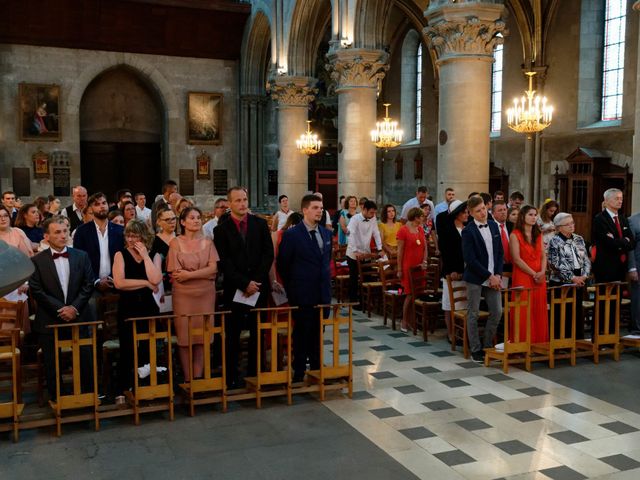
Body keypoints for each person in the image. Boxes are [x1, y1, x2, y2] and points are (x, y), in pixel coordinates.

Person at [213, 187, 273, 388]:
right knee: (233, 334)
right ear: (230, 204)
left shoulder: (260, 224)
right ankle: (231, 376)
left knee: (258, 331)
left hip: (258, 288)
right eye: (237, 200)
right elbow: (224, 262)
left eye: (245, 199)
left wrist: (254, 282)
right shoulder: (221, 230)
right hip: (235, 289)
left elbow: (268, 255)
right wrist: (243, 283)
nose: (242, 204)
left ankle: (255, 374)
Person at [29, 216, 95, 401]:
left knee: (85, 359)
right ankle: (58, 399)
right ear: (46, 236)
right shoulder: (37, 260)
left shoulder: (81, 256)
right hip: (50, 319)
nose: (63, 235)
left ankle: (86, 396)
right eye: (57, 232)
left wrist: (74, 308)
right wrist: (62, 309)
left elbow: (88, 284)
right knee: (53, 363)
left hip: (79, 316)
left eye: (65, 231)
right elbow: (37, 290)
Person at [277, 194, 332, 382]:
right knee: (301, 334)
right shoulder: (292, 235)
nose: (320, 211)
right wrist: (293, 289)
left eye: (321, 208)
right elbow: (283, 264)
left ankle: (316, 369)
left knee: (318, 334)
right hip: (301, 293)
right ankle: (299, 370)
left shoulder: (326, 233)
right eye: (315, 207)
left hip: (322, 294)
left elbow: (326, 262)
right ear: (305, 210)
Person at [168, 207, 218, 381]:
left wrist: (189, 274)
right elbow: (176, 274)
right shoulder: (175, 242)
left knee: (202, 337)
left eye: (198, 217)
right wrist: (201, 273)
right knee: (185, 338)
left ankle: (198, 378)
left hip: (206, 295)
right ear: (182, 222)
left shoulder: (208, 242)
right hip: (184, 296)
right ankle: (188, 379)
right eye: (192, 217)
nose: (196, 220)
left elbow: (213, 269)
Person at [112, 220, 162, 392]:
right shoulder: (121, 254)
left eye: (135, 236)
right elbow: (119, 282)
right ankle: (123, 388)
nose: (131, 239)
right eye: (128, 235)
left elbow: (156, 279)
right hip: (128, 306)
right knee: (128, 348)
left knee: (149, 346)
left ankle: (148, 387)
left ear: (144, 237)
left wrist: (146, 256)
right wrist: (145, 284)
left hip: (149, 307)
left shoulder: (154, 254)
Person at [461, 196, 504, 362]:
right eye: (478, 211)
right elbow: (470, 259)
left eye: (483, 209)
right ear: (471, 213)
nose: (482, 213)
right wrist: (489, 276)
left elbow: (499, 252)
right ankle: (476, 349)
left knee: (497, 311)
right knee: (473, 313)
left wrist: (498, 275)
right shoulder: (468, 231)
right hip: (476, 277)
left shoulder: (493, 225)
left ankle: (487, 345)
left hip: (494, 276)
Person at [547, 212, 590, 340]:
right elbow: (555, 263)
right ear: (559, 227)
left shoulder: (579, 238)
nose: (572, 226)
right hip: (562, 282)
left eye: (572, 223)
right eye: (568, 224)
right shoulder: (554, 241)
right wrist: (572, 278)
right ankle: (561, 341)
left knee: (577, 311)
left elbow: (586, 259)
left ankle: (577, 340)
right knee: (562, 313)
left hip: (579, 279)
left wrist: (584, 275)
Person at [509, 205, 548, 344]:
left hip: (539, 277)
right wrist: (534, 273)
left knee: (539, 309)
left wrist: (542, 272)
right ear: (523, 217)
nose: (534, 217)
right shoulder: (515, 235)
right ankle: (522, 344)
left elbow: (544, 255)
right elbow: (516, 259)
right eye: (530, 214)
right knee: (523, 311)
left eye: (535, 214)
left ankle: (539, 343)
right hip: (523, 276)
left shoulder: (538, 234)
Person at [73, 192, 125, 291]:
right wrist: (96, 281)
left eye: (104, 203)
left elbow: (125, 257)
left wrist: (111, 278)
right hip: (90, 286)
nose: (102, 206)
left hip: (117, 283)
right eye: (97, 204)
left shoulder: (120, 230)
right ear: (91, 209)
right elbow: (79, 260)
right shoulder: (82, 231)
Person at [438, 200, 468, 342]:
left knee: (463, 304)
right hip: (452, 272)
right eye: (464, 212)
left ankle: (461, 331)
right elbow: (446, 251)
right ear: (457, 214)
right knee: (450, 304)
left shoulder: (468, 227)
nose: (467, 214)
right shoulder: (447, 229)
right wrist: (452, 270)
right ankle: (451, 332)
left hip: (466, 271)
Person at [345, 200, 383, 308]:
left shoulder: (373, 218)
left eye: (374, 213)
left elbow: (376, 233)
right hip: (353, 254)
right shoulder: (354, 219)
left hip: (366, 252)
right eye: (371, 212)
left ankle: (364, 301)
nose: (373, 215)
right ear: (364, 210)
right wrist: (355, 250)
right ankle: (353, 302)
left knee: (366, 277)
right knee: (354, 278)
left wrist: (380, 248)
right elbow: (350, 234)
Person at [396, 207, 428, 332]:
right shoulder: (403, 230)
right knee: (409, 294)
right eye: (421, 216)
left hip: (419, 267)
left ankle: (412, 320)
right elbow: (400, 252)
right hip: (408, 267)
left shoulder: (419, 228)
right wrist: (399, 269)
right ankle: (404, 321)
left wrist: (425, 261)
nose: (423, 218)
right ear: (416, 217)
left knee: (417, 293)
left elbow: (424, 246)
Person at [151, 205, 176, 294]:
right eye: (167, 220)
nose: (172, 222)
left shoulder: (181, 238)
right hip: (162, 285)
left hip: (182, 282)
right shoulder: (153, 242)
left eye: (173, 219)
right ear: (159, 222)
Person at [627, 210, 640, 335]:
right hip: (638, 265)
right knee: (638, 299)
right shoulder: (633, 220)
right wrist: (632, 267)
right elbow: (630, 247)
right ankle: (637, 330)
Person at [492, 200, 513, 273]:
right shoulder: (489, 227)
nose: (503, 212)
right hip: (496, 267)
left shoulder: (512, 226)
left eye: (504, 209)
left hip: (512, 265)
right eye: (500, 210)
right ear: (493, 214)